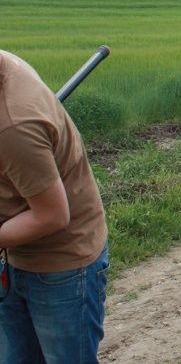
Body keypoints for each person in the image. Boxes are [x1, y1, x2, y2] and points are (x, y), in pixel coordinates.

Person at [0, 50, 110, 363]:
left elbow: (52, 216)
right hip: (13, 251)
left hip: (61, 266)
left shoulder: (14, 126)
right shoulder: (5, 61)